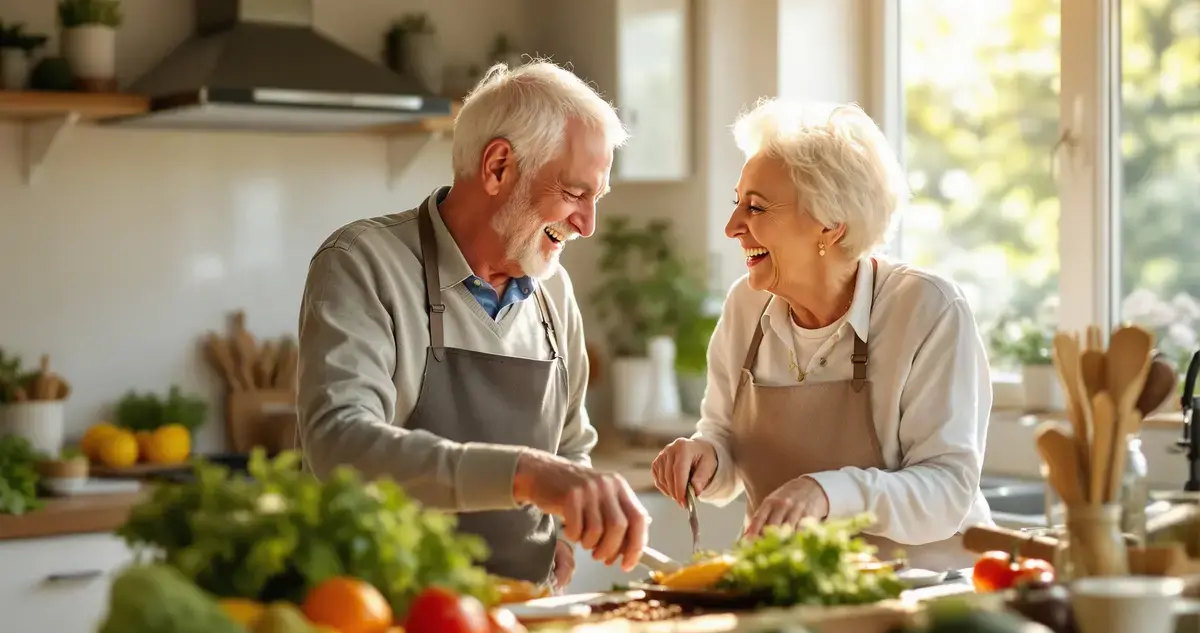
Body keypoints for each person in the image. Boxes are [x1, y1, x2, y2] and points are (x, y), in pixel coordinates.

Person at [297, 60, 649, 590]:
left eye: (595, 200)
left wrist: (563, 531)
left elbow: (572, 447)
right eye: (576, 193)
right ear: (499, 166)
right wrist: (526, 476)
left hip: (516, 624)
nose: (587, 224)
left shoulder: (554, 292)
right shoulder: (362, 261)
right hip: (384, 625)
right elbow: (339, 443)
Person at [652, 98, 994, 571]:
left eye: (755, 207)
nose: (732, 227)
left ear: (831, 226)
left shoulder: (927, 308)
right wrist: (705, 458)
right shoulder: (746, 306)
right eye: (738, 204)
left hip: (921, 593)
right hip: (791, 583)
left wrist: (827, 491)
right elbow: (724, 442)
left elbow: (947, 491)